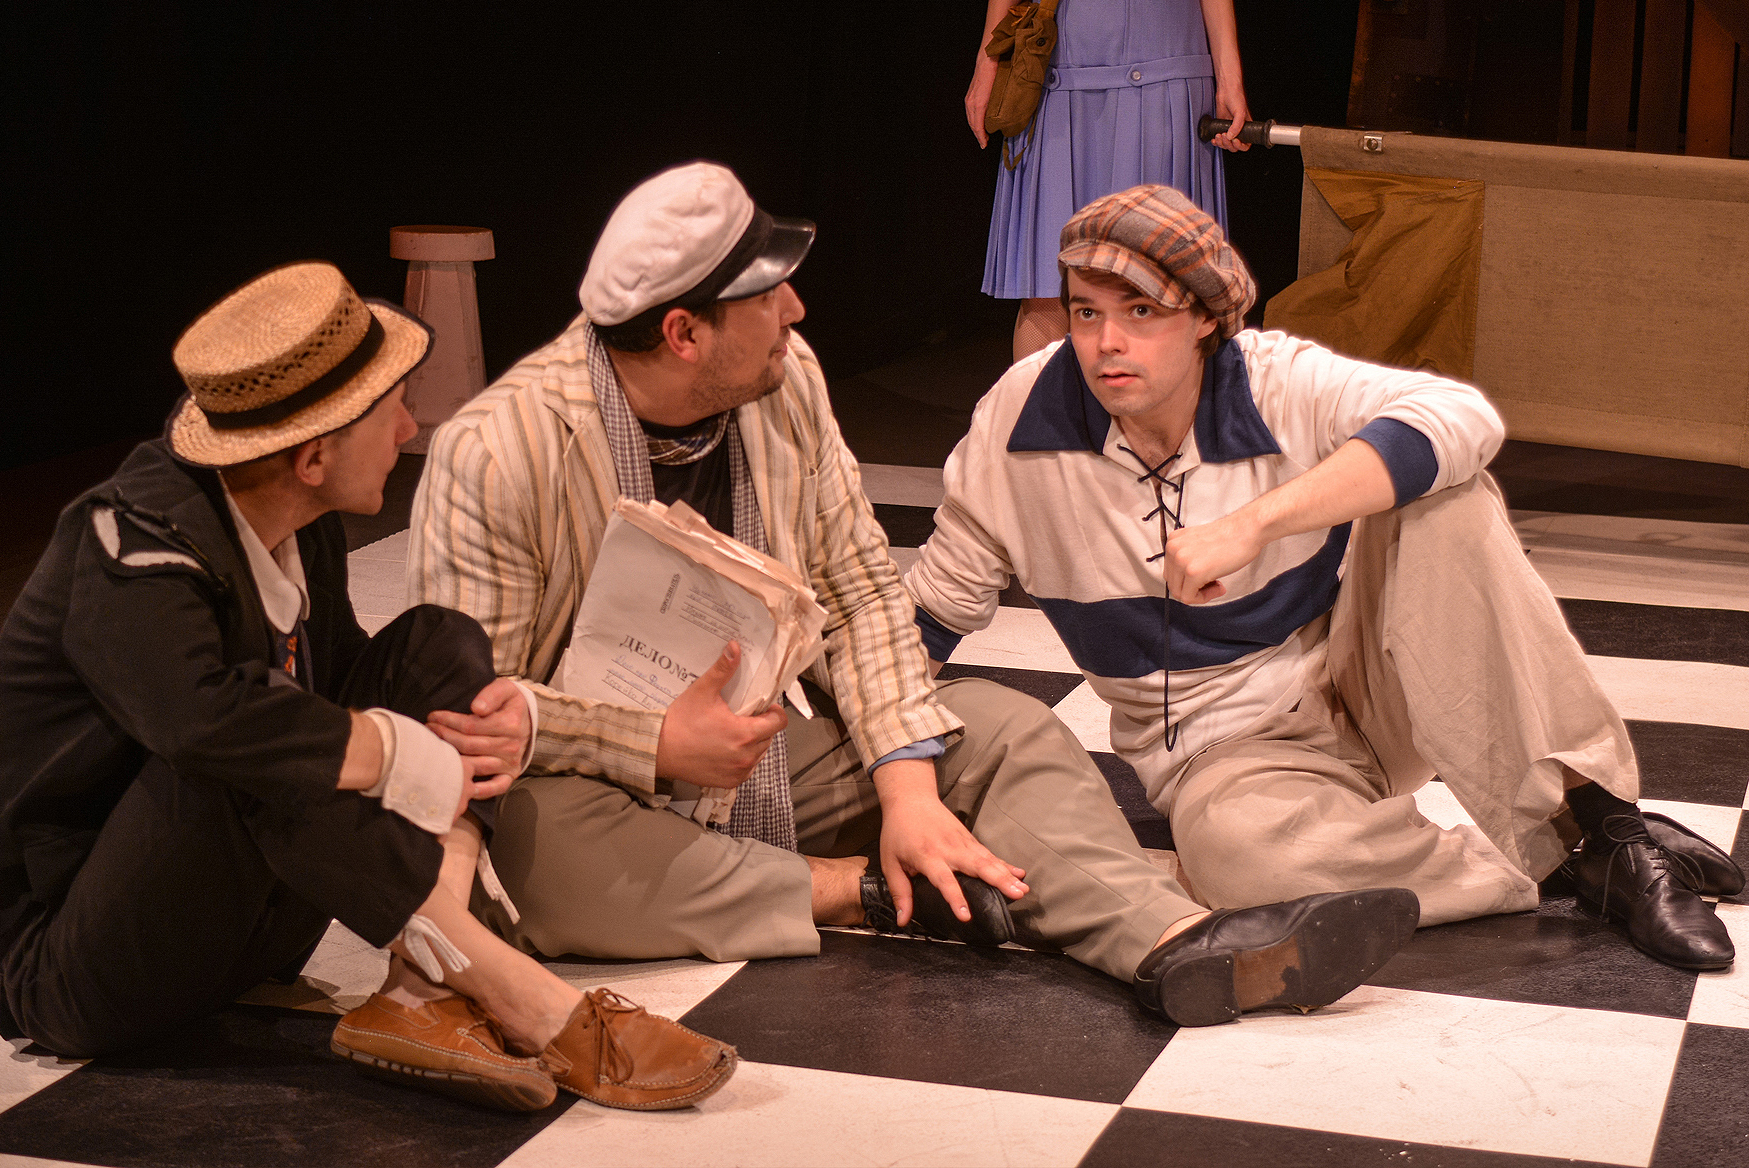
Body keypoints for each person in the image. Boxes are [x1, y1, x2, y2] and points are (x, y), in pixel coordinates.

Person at [409, 160, 1423, 1029]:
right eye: (768, 296)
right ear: (684, 333)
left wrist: (905, 791)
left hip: (764, 748)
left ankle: (1173, 944)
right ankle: (861, 892)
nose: (796, 312)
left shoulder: (784, 379)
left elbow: (859, 590)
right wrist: (654, 745)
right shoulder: (498, 451)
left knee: (1004, 730)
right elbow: (474, 722)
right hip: (588, 783)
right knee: (539, 858)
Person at [0, 261, 736, 1114]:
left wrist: (477, 731)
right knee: (263, 744)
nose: (409, 425)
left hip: (236, 934)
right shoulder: (129, 546)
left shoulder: (294, 514)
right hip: (80, 972)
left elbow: (342, 680)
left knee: (439, 647)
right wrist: (392, 752)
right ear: (313, 456)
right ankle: (514, 990)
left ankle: (422, 988)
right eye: (390, 407)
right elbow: (205, 723)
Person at [905, 184, 1744, 972]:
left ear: (1205, 320)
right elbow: (930, 614)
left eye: (1141, 312)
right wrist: (884, 773)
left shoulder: (1274, 379)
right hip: (1224, 750)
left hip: (1373, 681)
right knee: (1242, 861)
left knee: (1447, 497)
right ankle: (1558, 863)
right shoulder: (1020, 419)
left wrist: (1253, 525)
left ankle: (1604, 822)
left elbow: (1463, 418)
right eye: (1087, 311)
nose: (1105, 342)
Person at [966, 0, 1251, 363]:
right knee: (1047, 290)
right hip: (1059, 79)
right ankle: (1042, 406)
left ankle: (1153, 407)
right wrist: (988, 61)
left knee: (1163, 288)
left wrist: (1230, 77)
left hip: (1166, 78)